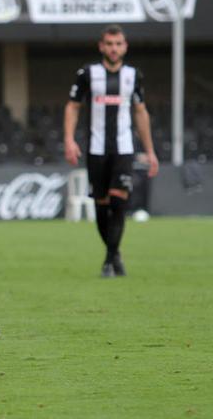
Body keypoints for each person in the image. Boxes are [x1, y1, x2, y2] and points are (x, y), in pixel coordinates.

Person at [63, 24, 159, 277]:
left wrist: (150, 151)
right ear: (101, 46)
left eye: (118, 44)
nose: (114, 49)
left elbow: (140, 112)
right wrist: (69, 139)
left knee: (118, 202)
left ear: (125, 46)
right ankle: (115, 254)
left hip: (124, 149)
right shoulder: (87, 73)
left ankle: (108, 261)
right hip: (96, 150)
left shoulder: (133, 75)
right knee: (102, 206)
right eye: (109, 44)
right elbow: (72, 107)